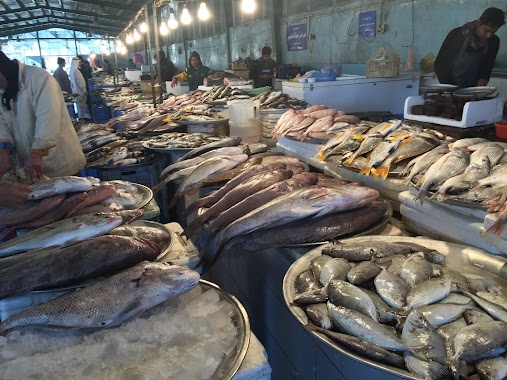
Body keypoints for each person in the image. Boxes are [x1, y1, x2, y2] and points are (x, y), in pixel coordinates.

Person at [0, 51, 85, 179]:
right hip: (30, 169)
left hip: (61, 164)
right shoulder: (3, 89)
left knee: (72, 197)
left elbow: (48, 117)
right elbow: (2, 123)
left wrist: (37, 152)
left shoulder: (39, 78)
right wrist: (4, 152)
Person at [435, 7, 505, 88]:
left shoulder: (493, 42)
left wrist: (477, 90)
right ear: (478, 23)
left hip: (472, 91)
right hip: (450, 88)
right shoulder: (456, 35)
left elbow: (486, 68)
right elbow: (440, 65)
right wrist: (449, 90)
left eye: (493, 32)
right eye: (486, 30)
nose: (489, 35)